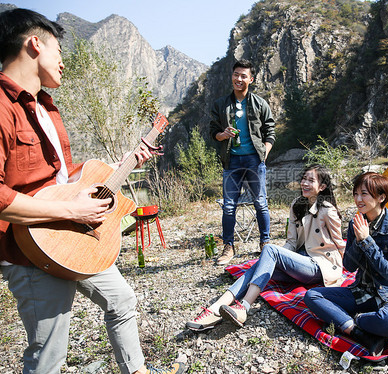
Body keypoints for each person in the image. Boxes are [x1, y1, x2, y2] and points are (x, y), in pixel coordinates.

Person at [0, 9, 185, 374]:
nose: (63, 62)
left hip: (71, 237)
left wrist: (120, 166)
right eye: (59, 51)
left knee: (122, 300)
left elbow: (59, 184)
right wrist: (72, 212)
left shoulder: (46, 109)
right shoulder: (3, 108)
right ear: (34, 43)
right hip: (29, 249)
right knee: (49, 355)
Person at [186, 164, 345, 330]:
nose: (304, 183)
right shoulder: (296, 205)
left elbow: (340, 243)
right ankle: (214, 309)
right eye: (303, 179)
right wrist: (278, 259)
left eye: (310, 180)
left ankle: (244, 307)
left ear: (322, 187)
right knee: (260, 264)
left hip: (319, 265)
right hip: (300, 262)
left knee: (269, 250)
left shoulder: (327, 210)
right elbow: (291, 242)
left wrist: (340, 273)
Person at [304, 172, 388, 356]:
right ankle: (357, 332)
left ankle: (349, 319)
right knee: (312, 295)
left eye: (364, 194)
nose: (358, 199)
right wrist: (357, 239)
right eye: (355, 194)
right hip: (363, 292)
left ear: (381, 197)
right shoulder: (356, 223)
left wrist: (366, 240)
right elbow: (349, 266)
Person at [209, 59, 275, 265]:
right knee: (229, 206)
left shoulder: (260, 104)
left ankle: (265, 243)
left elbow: (270, 131)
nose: (239, 79)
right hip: (232, 161)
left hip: (255, 160)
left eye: (243, 76)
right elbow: (212, 133)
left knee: (260, 203)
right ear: (232, 76)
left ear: (251, 79)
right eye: (236, 74)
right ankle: (228, 247)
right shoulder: (221, 104)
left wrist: (265, 151)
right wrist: (223, 134)